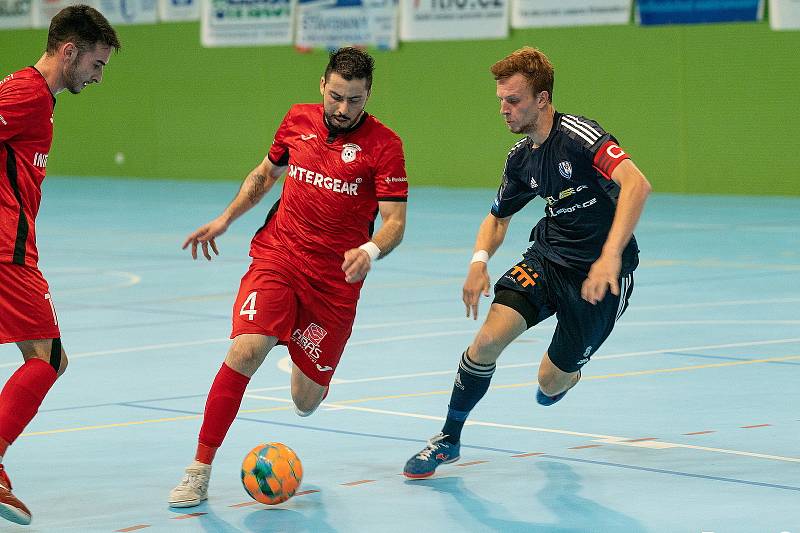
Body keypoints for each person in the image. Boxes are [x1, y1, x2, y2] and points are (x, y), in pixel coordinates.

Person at [169, 47, 408, 507]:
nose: (342, 109)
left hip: (335, 282)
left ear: (368, 96)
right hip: (279, 256)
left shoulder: (385, 146)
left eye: (354, 100)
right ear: (322, 85)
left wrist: (371, 248)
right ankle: (198, 469)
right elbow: (265, 175)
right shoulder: (297, 120)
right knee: (246, 349)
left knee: (306, 401)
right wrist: (225, 219)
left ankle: (296, 338)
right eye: (336, 96)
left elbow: (395, 221)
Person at [403, 47, 651, 479]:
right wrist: (479, 260)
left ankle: (568, 375)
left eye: (513, 100)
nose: (504, 109)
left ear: (542, 99)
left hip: (600, 278)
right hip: (547, 259)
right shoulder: (521, 158)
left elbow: (636, 183)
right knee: (484, 344)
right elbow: (497, 218)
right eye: (500, 99)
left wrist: (610, 256)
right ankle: (447, 439)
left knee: (549, 381)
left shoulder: (581, 137)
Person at [0, 6, 120, 525]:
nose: (98, 77)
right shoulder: (27, 94)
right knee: (48, 359)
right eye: (95, 64)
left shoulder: (37, 99)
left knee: (46, 358)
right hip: (8, 251)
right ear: (69, 52)